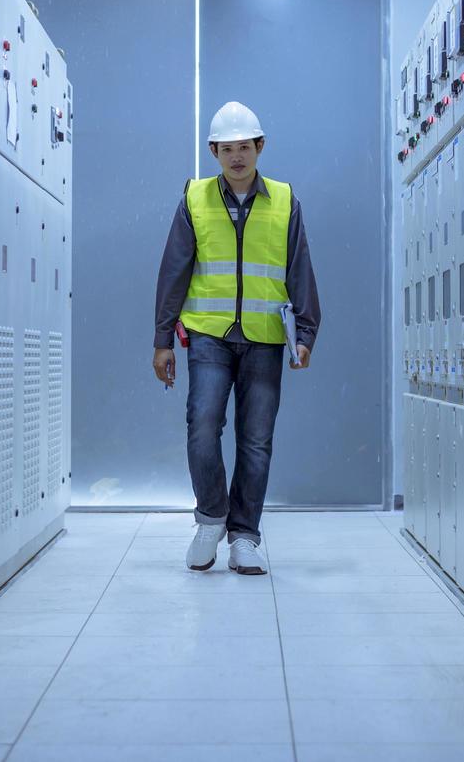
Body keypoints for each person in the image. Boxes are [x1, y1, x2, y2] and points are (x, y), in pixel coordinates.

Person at [152, 101, 321, 574]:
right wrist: (162, 339)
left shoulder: (285, 200)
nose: (237, 157)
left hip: (265, 337)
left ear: (259, 147)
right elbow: (173, 271)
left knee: (256, 440)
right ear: (214, 152)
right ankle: (211, 518)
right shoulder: (195, 198)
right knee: (203, 426)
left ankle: (244, 536)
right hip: (208, 335)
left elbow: (299, 269)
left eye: (245, 147)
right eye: (227, 150)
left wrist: (305, 331)